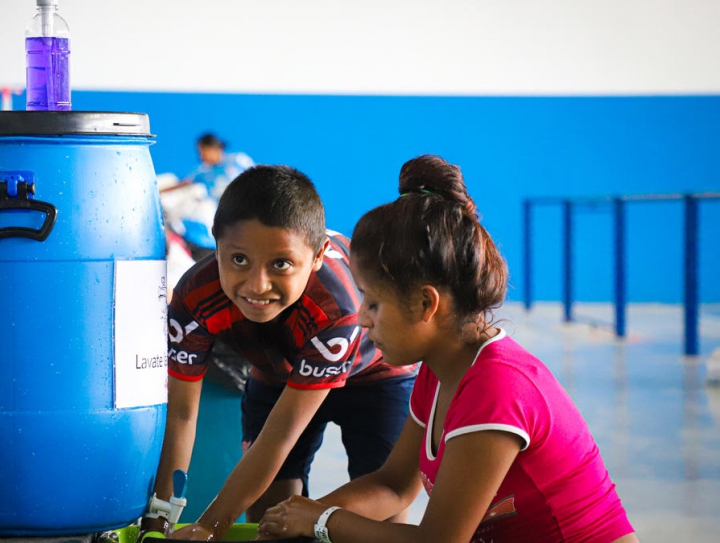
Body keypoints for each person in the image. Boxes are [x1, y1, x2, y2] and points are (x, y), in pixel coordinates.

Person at [256, 155, 639, 543]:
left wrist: (322, 523)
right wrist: (301, 514)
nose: (362, 319)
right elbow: (393, 486)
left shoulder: (496, 388)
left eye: (372, 302)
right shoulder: (440, 371)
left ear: (426, 303)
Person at [142, 165, 419, 541]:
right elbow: (182, 414)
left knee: (381, 520)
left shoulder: (338, 306)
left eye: (281, 264)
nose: (257, 285)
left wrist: (210, 526)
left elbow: (280, 436)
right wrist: (158, 522)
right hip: (278, 373)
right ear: (216, 242)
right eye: (239, 259)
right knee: (271, 520)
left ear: (318, 255)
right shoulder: (195, 297)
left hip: (377, 376)